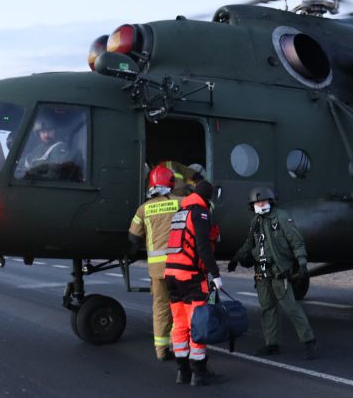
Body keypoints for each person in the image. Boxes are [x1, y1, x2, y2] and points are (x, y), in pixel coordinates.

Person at [228, 187, 318, 359]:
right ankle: (271, 344)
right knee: (267, 309)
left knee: (291, 308)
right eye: (257, 201)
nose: (261, 204)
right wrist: (236, 258)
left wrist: (302, 264)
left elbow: (296, 241)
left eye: (263, 200)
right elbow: (249, 242)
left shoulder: (282, 217)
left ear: (270, 201)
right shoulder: (255, 221)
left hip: (280, 272)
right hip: (261, 273)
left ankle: (309, 341)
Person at [164, 180, 224, 386]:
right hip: (190, 275)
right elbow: (203, 247)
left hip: (171, 274)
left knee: (179, 324)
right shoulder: (200, 213)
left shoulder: (180, 212)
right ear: (208, 197)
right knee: (198, 323)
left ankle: (183, 372)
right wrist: (215, 274)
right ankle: (199, 373)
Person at [127, 165, 182, 361]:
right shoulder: (181, 203)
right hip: (179, 266)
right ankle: (179, 348)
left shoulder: (143, 209)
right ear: (171, 184)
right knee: (179, 307)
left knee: (160, 309)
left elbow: (133, 238)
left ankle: (161, 351)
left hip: (157, 270)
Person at [17, 110, 81, 181]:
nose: (46, 135)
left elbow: (54, 174)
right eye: (43, 131)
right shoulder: (39, 148)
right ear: (38, 133)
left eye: (49, 131)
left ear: (55, 131)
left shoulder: (60, 147)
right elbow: (26, 162)